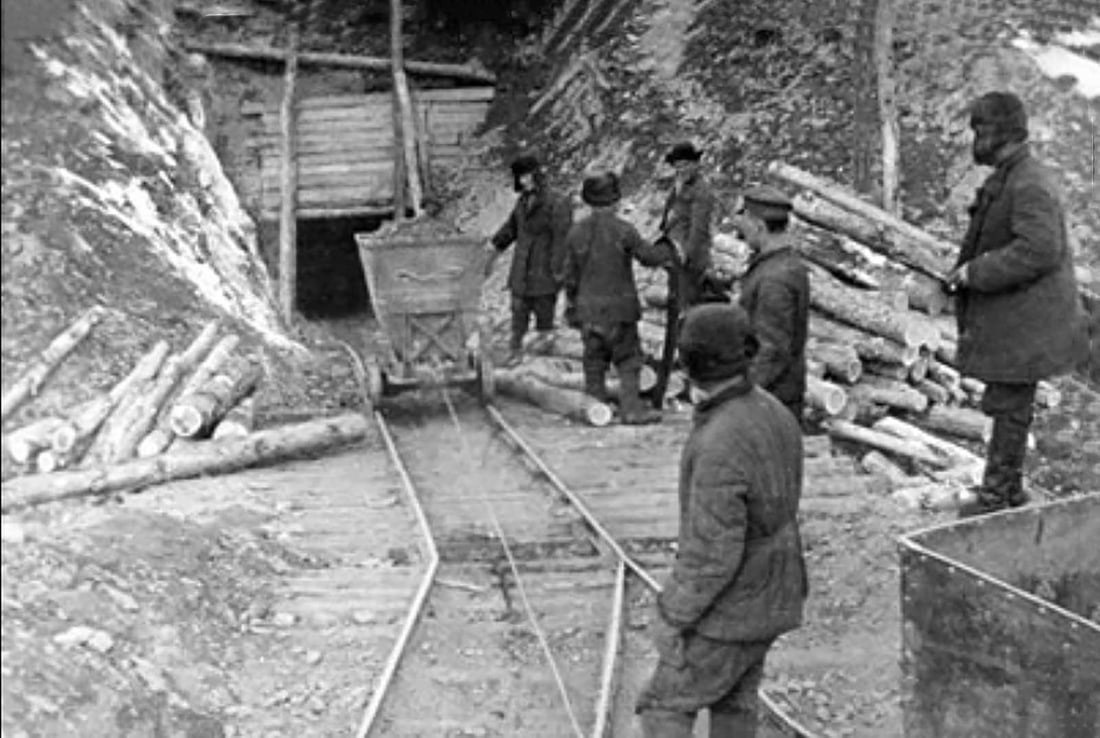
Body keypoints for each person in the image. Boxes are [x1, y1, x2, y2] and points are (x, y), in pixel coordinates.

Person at [636, 303, 807, 737]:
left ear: (689, 363)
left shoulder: (720, 441)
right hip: (776, 591)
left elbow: (711, 555)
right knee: (734, 701)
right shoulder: (773, 412)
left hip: (734, 606)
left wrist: (671, 615)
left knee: (664, 704)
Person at [945, 91, 1088, 517]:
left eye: (978, 131)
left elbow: (1040, 250)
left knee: (1010, 407)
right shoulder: (1013, 175)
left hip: (1029, 323)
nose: (974, 140)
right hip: (1021, 319)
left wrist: (977, 272)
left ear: (998, 132)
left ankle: (996, 498)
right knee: (1010, 406)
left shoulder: (1028, 182)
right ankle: (1006, 490)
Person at [562, 171, 672, 425]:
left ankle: (596, 410)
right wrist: (668, 249)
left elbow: (569, 277)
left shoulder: (575, 233)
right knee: (628, 359)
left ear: (588, 200)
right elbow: (648, 257)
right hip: (620, 310)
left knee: (593, 362)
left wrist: (572, 309)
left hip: (588, 310)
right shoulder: (624, 230)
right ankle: (631, 410)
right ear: (615, 200)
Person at [485, 153, 573, 366]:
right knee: (518, 321)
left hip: (544, 275)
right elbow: (511, 229)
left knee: (545, 323)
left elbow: (562, 240)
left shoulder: (557, 202)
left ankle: (546, 365)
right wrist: (493, 248)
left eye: (527, 175)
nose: (523, 181)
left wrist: (559, 274)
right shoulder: (522, 202)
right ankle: (515, 357)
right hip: (521, 273)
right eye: (520, 177)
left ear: (537, 175)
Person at [734, 185, 810, 424]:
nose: (740, 228)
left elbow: (772, 349)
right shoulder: (782, 264)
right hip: (776, 396)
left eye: (744, 220)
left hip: (771, 401)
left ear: (758, 225)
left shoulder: (775, 278)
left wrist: (742, 395)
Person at [657, 142, 719, 310]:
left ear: (696, 164)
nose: (681, 170)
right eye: (677, 167)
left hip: (690, 258)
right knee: (675, 299)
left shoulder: (702, 191)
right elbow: (670, 212)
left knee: (687, 302)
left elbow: (698, 229)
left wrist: (687, 255)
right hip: (676, 253)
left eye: (685, 165)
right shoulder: (679, 185)